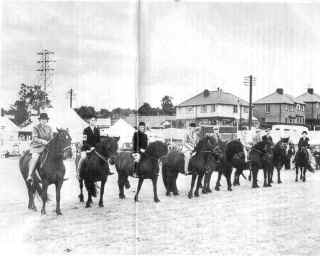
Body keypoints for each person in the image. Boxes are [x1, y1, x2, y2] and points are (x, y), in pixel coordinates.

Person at [27, 113, 53, 183]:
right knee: (35, 156)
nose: (44, 121)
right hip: (37, 146)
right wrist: (43, 141)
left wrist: (50, 142)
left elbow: (51, 138)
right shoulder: (35, 127)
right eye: (42, 119)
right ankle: (30, 175)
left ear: (47, 120)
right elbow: (35, 138)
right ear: (40, 120)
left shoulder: (49, 128)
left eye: (45, 120)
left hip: (47, 147)